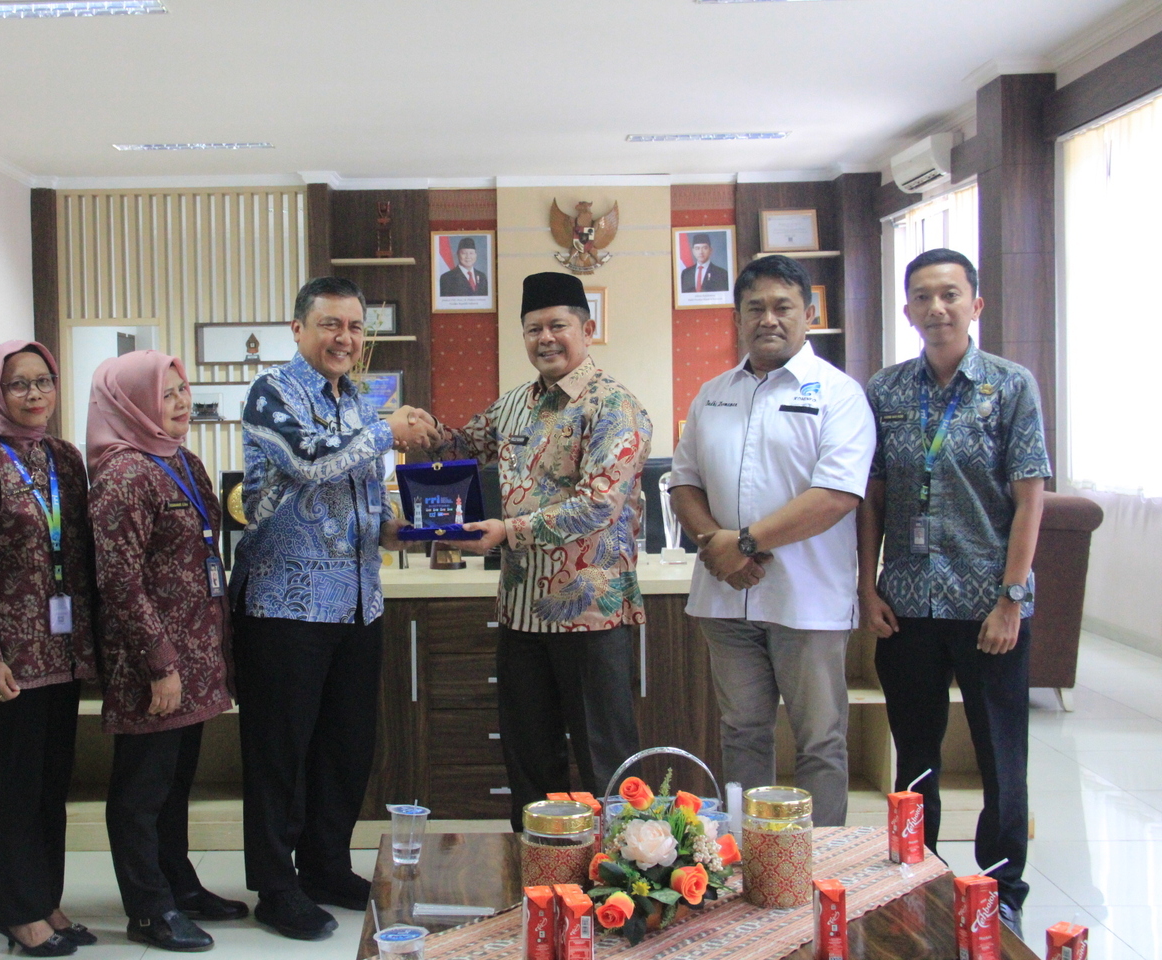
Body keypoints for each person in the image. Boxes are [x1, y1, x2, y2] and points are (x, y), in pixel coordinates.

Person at [230, 276, 440, 941]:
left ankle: (324, 866)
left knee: (346, 749)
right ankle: (275, 886)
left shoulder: (356, 400)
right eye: (331, 324)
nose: (345, 338)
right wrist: (387, 431)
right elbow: (309, 461)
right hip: (284, 604)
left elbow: (360, 491)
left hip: (356, 604)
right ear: (299, 329)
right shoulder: (273, 392)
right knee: (279, 755)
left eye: (354, 327)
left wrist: (397, 528)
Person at [858, 248, 1048, 935]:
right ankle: (918, 877)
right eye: (923, 297)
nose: (936, 308)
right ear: (908, 309)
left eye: (950, 294)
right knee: (915, 755)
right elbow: (874, 495)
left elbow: (1030, 499)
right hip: (907, 604)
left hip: (986, 607)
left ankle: (1002, 891)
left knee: (1001, 756)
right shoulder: (885, 390)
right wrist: (867, 584)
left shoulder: (1010, 385)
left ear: (975, 304)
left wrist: (1011, 598)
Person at [427, 270, 652, 830]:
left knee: (605, 763)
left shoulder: (614, 406)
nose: (545, 338)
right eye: (533, 329)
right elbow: (458, 445)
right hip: (521, 613)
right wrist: (414, 427)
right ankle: (539, 870)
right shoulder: (513, 406)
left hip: (591, 616)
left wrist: (508, 531)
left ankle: (621, 874)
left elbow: (597, 506)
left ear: (587, 330)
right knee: (528, 762)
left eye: (557, 326)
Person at [668, 255, 874, 827]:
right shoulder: (713, 394)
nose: (769, 319)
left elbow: (836, 495)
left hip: (807, 602)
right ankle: (746, 858)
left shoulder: (839, 394)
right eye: (755, 308)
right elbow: (683, 481)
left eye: (783, 306)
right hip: (725, 600)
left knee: (819, 741)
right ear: (737, 319)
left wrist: (744, 544)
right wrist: (714, 542)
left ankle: (818, 863)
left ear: (809, 315)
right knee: (741, 733)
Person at [87, 350, 247, 952]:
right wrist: (160, 663)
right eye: (166, 393)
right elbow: (119, 581)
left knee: (176, 783)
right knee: (142, 791)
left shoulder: (180, 459)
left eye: (184, 390)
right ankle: (149, 908)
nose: (181, 402)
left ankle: (179, 884)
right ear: (131, 403)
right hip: (154, 663)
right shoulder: (123, 475)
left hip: (196, 655)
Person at [0, 341, 96, 956]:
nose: (34, 395)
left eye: (43, 381)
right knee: (19, 781)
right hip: (12, 655)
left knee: (53, 782)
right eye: (18, 384)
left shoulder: (64, 457)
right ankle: (14, 909)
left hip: (63, 648)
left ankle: (44, 897)